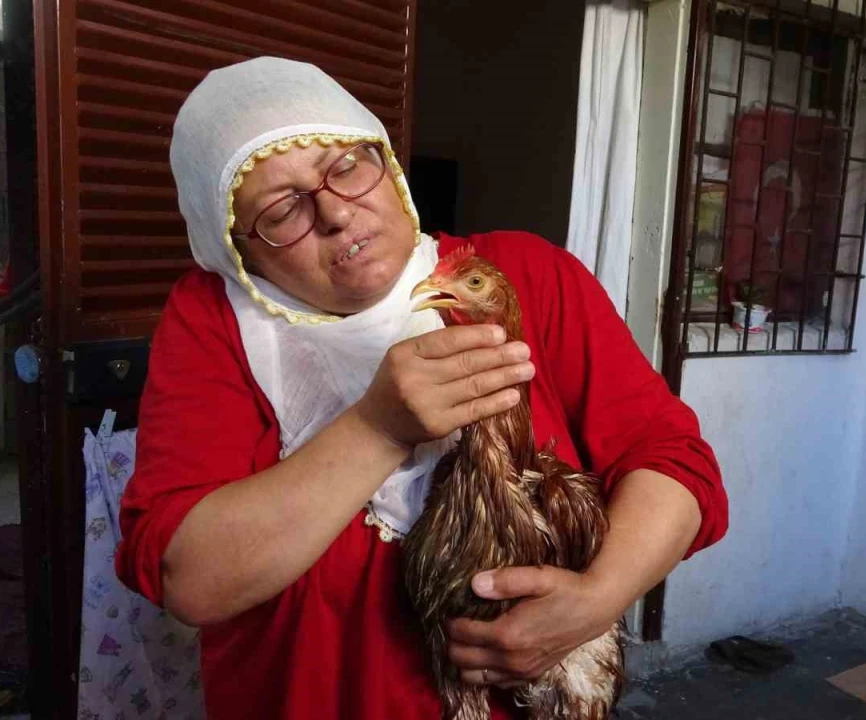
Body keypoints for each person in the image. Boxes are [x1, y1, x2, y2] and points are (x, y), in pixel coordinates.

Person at [115, 57, 728, 719]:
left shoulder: (523, 275)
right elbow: (190, 580)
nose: (336, 213)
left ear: (386, 162)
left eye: (347, 166)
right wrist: (377, 428)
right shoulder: (214, 326)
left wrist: (597, 600)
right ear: (238, 250)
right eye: (283, 209)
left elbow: (673, 461)